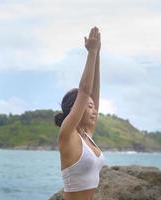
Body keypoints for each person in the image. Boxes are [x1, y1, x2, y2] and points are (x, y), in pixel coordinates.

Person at [55, 27, 103, 200]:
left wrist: (97, 54)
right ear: (76, 109)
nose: (94, 109)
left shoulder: (87, 135)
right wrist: (91, 53)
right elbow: (85, 90)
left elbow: (92, 91)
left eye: (93, 106)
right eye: (88, 106)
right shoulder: (68, 134)